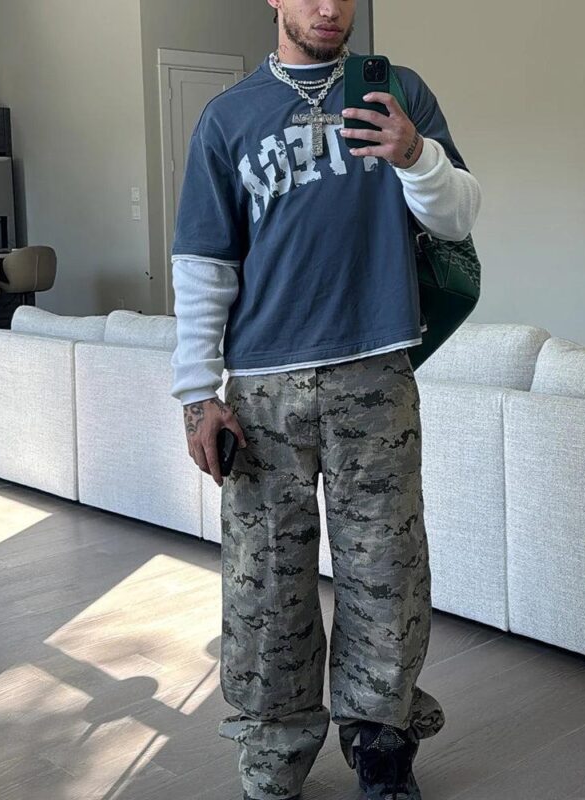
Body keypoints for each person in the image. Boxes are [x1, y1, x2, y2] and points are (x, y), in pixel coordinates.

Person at [169, 1, 482, 797]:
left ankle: (382, 750)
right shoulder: (227, 117)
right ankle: (273, 759)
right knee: (265, 584)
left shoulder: (399, 91)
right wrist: (197, 394)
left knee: (387, 573)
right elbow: (204, 266)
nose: (329, 7)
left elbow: (458, 218)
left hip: (375, 372)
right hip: (263, 390)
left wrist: (414, 154)